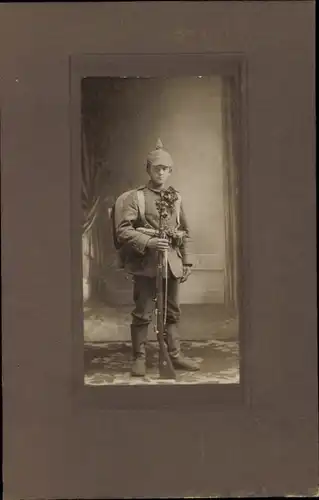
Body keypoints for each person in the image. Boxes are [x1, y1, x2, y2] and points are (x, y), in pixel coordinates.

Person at [116, 139, 200, 377]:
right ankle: (139, 357)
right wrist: (150, 242)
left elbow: (185, 231)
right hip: (145, 265)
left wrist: (187, 261)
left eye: (165, 169)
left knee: (172, 311)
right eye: (156, 168)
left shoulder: (177, 197)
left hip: (171, 264)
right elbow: (124, 231)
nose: (161, 172)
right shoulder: (137, 198)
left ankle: (175, 354)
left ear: (170, 171)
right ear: (148, 170)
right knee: (142, 311)